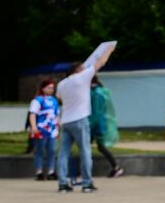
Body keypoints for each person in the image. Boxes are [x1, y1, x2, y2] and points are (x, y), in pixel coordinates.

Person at [55, 42, 114, 193]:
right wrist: (110, 49)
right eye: (83, 67)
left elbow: (59, 98)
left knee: (63, 153)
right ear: (78, 70)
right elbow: (101, 62)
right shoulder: (82, 77)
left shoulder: (62, 83)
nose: (86, 68)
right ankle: (87, 183)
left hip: (66, 121)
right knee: (85, 151)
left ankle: (62, 184)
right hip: (80, 119)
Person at [90, 76, 124, 179]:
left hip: (94, 124)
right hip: (100, 123)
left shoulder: (96, 93)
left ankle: (85, 172)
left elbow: (96, 111)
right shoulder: (101, 91)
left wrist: (90, 123)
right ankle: (116, 167)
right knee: (100, 147)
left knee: (86, 147)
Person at [27, 79, 60, 181]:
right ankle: (39, 171)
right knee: (40, 151)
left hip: (52, 129)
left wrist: (59, 125)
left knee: (52, 150)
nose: (51, 90)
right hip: (41, 128)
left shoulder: (54, 101)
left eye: (52, 88)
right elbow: (32, 114)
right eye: (49, 88)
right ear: (43, 88)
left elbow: (57, 115)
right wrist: (33, 127)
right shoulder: (38, 100)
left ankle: (51, 171)